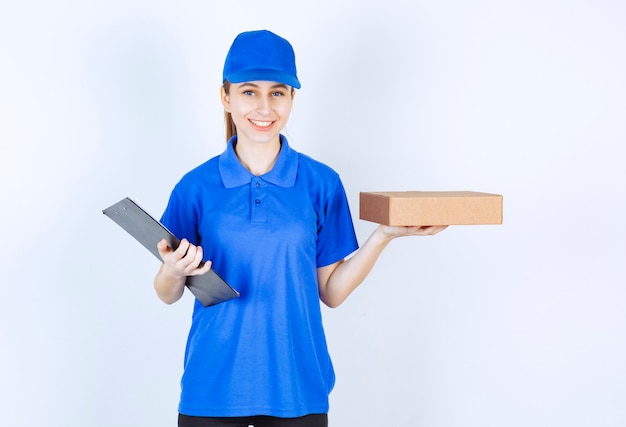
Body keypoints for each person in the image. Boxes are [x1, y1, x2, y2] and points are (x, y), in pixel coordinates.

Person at [154, 29, 447, 427]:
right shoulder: (195, 186)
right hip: (212, 388)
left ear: (292, 98)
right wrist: (172, 271)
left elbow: (331, 292)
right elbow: (167, 293)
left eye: (278, 92)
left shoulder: (320, 183)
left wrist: (384, 236)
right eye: (248, 91)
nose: (263, 106)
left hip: (298, 388)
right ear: (226, 97)